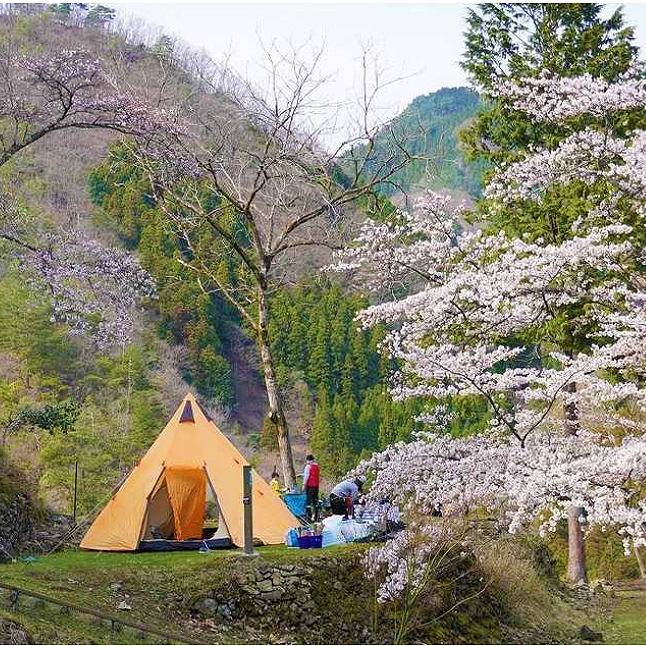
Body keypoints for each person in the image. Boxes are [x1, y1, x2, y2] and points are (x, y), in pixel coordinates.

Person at [301, 454, 320, 522]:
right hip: (316, 487)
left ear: (308, 460)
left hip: (310, 486)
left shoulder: (308, 467)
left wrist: (303, 485)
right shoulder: (317, 466)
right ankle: (316, 517)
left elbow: (307, 476)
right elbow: (313, 475)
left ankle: (309, 518)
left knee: (308, 502)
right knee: (315, 502)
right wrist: (301, 475)